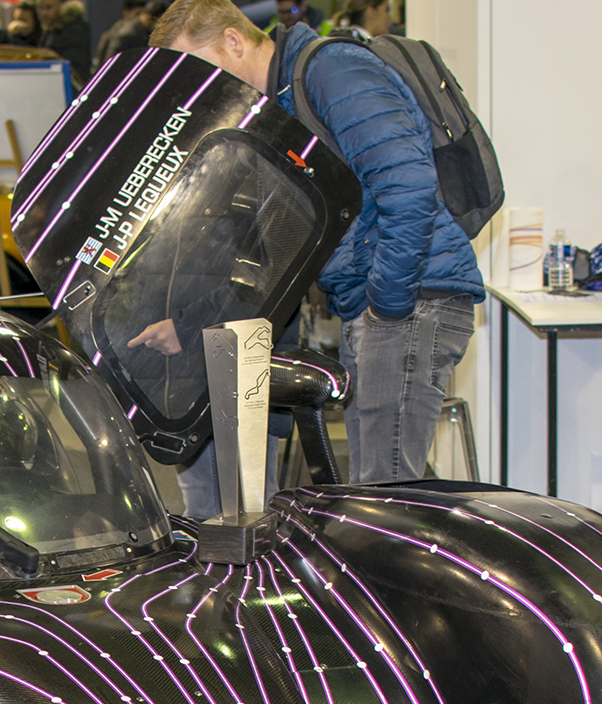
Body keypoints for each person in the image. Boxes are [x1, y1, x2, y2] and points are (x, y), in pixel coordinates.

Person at [146, 0, 483, 486]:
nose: (200, 87)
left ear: (233, 41)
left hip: (411, 300)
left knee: (384, 494)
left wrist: (384, 308)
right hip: (382, 302)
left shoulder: (331, 71)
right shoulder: (286, 100)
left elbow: (408, 185)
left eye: (199, 66)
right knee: (379, 488)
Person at [35, 0, 93, 84]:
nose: (44, 13)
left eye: (49, 7)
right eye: (40, 8)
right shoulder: (50, 30)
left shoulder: (75, 31)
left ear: (63, 6)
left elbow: (74, 69)